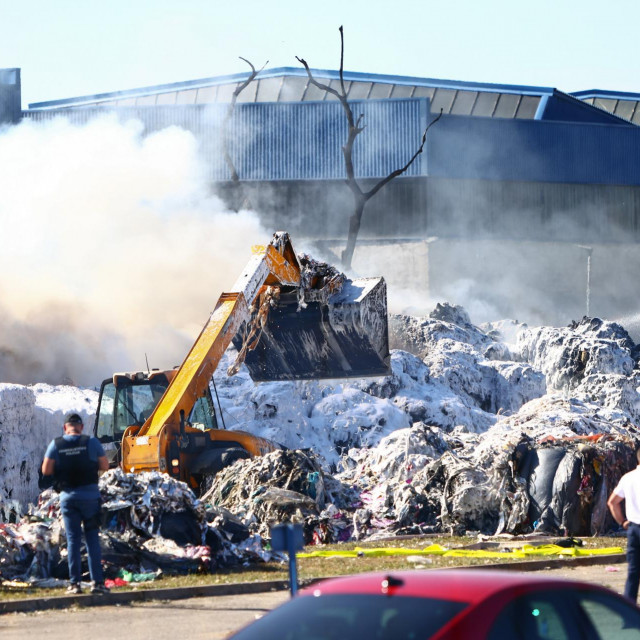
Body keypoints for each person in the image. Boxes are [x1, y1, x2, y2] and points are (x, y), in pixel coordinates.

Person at [41, 412, 110, 595]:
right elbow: (105, 466)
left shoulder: (57, 444)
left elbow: (46, 469)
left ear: (65, 428)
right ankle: (98, 584)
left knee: (73, 540)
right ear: (81, 427)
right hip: (90, 499)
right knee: (92, 539)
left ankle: (75, 584)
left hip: (68, 499)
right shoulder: (91, 442)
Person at [608, 447, 640, 602]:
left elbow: (612, 502)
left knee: (633, 572)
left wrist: (623, 522)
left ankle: (629, 613)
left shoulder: (628, 478)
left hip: (634, 529)